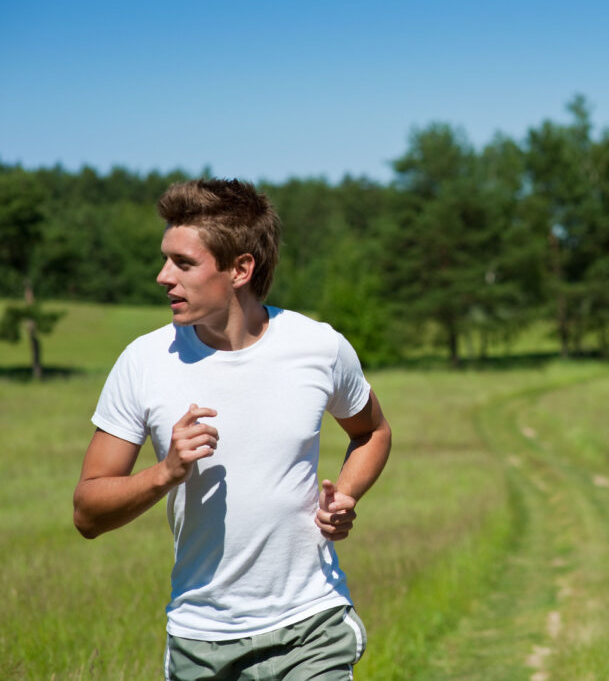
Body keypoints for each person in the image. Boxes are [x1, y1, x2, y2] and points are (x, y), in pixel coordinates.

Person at [73, 178, 391, 680]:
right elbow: (87, 512)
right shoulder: (143, 362)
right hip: (201, 640)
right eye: (165, 259)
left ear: (241, 268)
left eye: (183, 263)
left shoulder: (319, 347)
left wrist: (345, 495)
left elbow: (372, 431)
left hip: (311, 625)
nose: (162, 277)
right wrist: (166, 472)